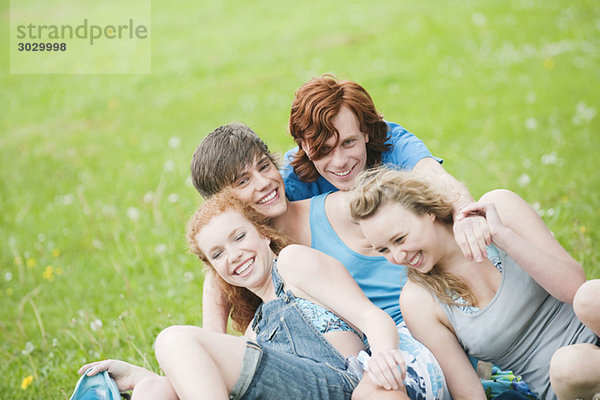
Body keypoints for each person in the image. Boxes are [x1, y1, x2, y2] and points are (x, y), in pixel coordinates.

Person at [191, 123, 450, 400]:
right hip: (354, 369)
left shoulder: (339, 210)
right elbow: (217, 274)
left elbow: (425, 212)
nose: (264, 182)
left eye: (265, 167)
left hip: (410, 349)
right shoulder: (253, 265)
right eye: (243, 181)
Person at [79, 191, 407, 400]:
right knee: (154, 390)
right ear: (214, 270)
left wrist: (381, 359)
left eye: (239, 237)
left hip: (343, 387)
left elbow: (372, 317)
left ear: (264, 234)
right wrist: (140, 377)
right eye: (218, 254)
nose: (234, 255)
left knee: (172, 340)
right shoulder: (255, 330)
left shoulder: (294, 264)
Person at [348, 168, 600, 400]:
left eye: (400, 239)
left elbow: (573, 286)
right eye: (384, 249)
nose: (398, 256)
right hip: (568, 383)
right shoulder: (418, 300)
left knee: (590, 294)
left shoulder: (498, 208)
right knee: (570, 364)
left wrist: (502, 236)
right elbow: (469, 394)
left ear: (428, 212)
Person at [282, 74, 490, 264]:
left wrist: (466, 216)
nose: (339, 162)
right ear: (303, 146)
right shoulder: (295, 179)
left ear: (366, 132)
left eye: (348, 143)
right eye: (324, 150)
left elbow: (436, 177)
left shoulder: (392, 143)